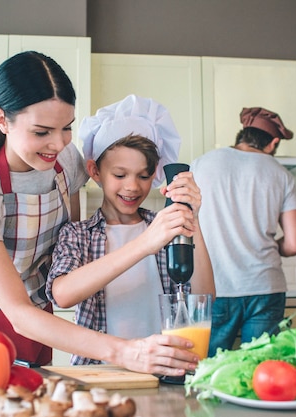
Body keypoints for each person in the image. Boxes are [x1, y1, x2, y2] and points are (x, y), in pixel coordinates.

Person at [0, 52, 201, 377]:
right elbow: (16, 310)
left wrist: (182, 204)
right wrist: (124, 351)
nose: (58, 143)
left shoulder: (64, 161)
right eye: (42, 131)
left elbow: (86, 216)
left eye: (66, 128)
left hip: (38, 318)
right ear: (2, 120)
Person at [46, 95, 215, 365]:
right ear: (95, 171)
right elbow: (62, 295)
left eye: (144, 176)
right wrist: (144, 244)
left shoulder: (165, 226)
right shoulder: (78, 234)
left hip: (162, 368)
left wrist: (193, 221)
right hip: (99, 375)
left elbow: (204, 296)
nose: (133, 187)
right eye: (120, 175)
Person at [190, 107, 296, 356]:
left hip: (215, 286)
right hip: (265, 287)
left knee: (204, 371)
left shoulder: (201, 164)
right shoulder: (281, 174)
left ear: (242, 134)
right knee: (261, 370)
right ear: (274, 142)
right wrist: (268, 245)